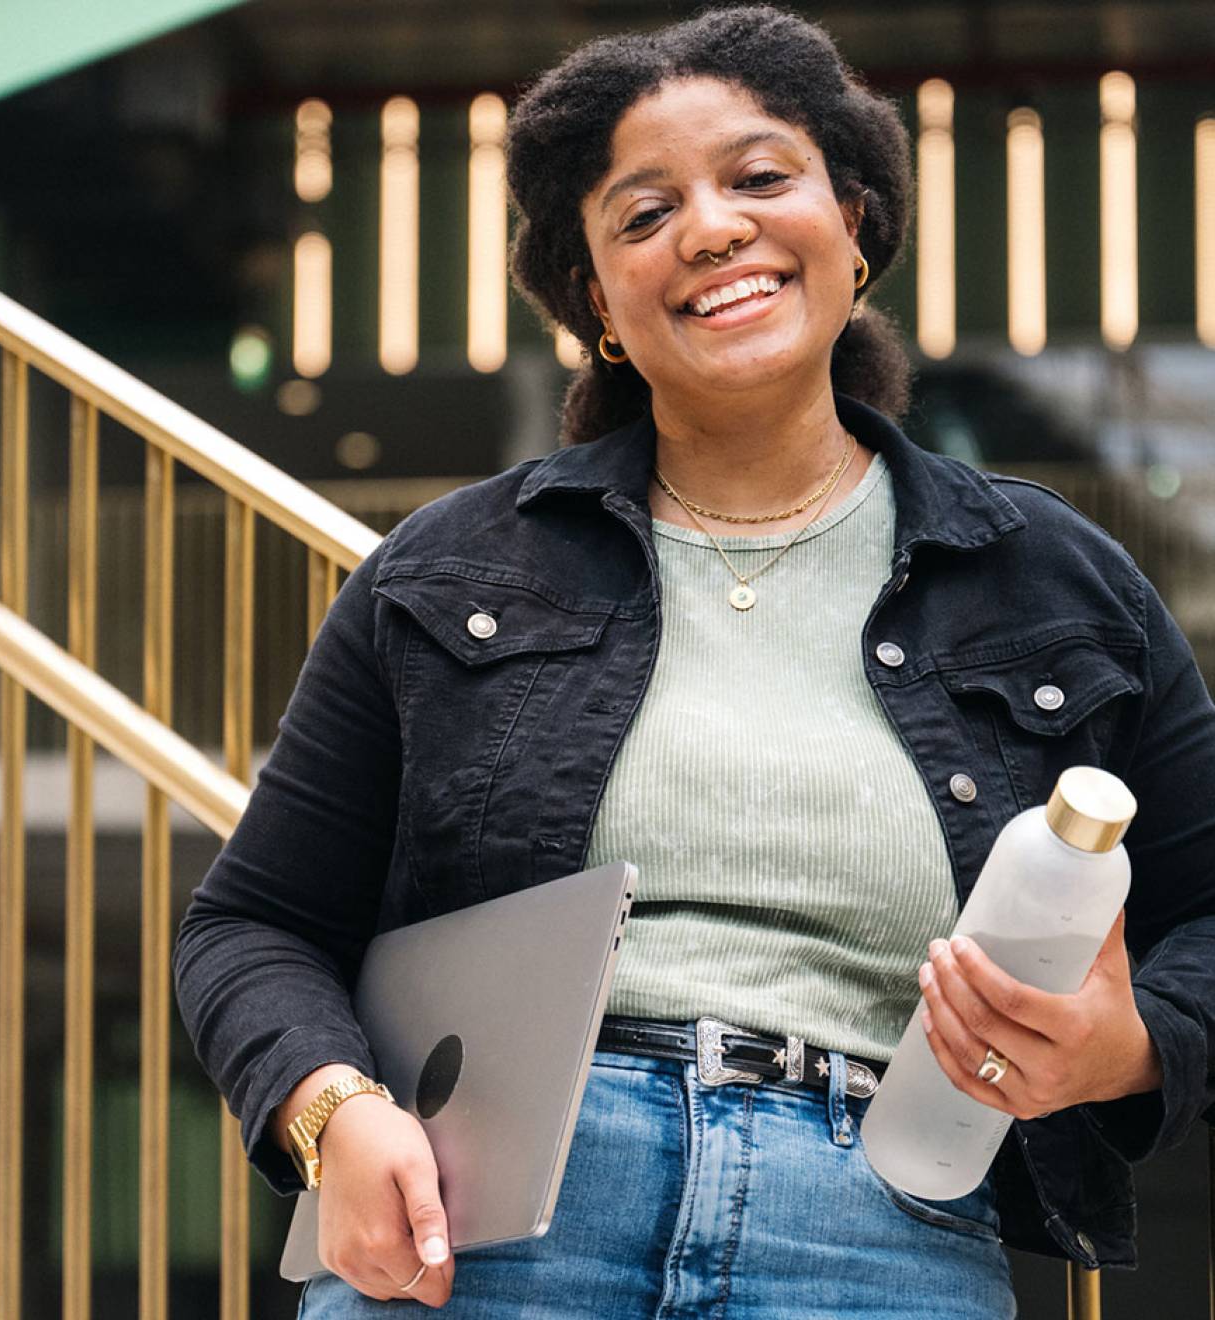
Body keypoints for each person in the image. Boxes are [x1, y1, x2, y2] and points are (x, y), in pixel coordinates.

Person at [174, 7, 1215, 1316]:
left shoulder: (1055, 582)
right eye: (643, 212)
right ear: (597, 302)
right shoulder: (448, 572)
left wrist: (1129, 1051)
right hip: (492, 1230)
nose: (713, 228)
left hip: (881, 1229)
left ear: (856, 225)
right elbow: (250, 924)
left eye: (761, 178)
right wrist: (334, 1111)